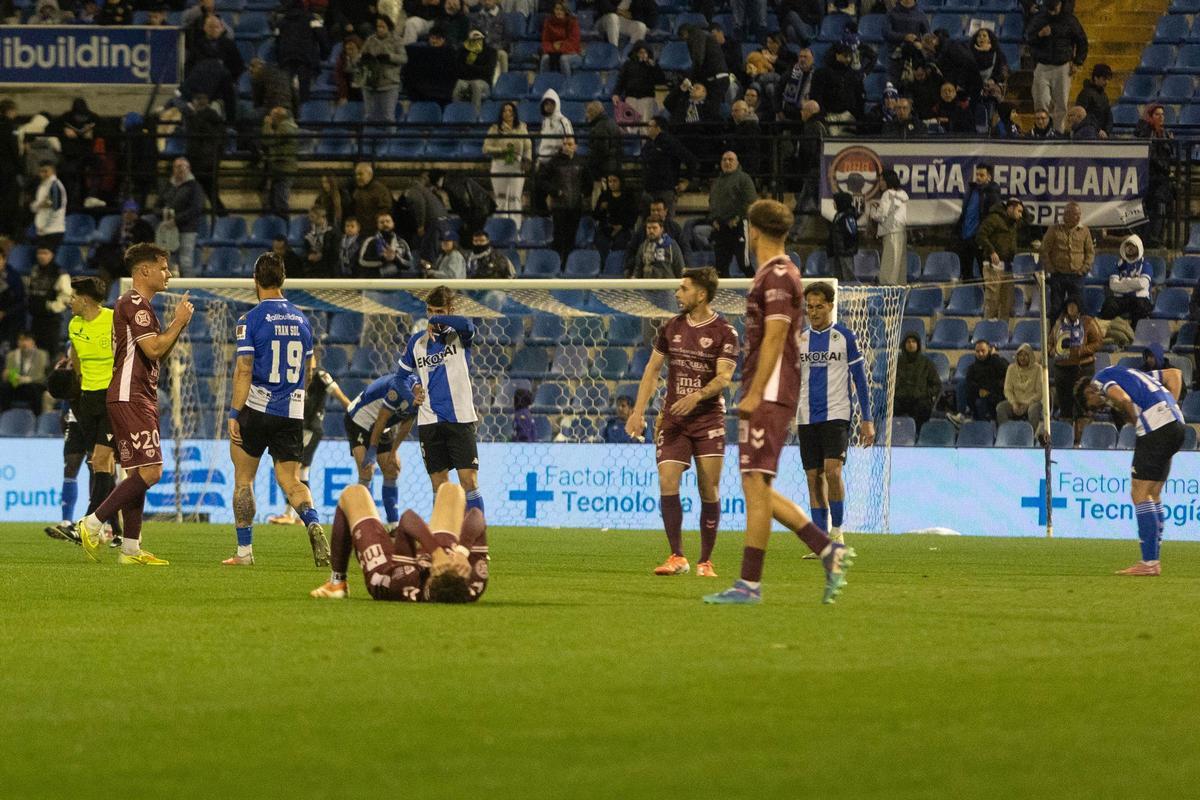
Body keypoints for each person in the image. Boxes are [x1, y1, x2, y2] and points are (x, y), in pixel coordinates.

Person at [704, 199, 852, 606]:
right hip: (773, 389)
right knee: (758, 486)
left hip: (769, 391)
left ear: (753, 231)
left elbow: (774, 336)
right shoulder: (779, 274)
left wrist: (754, 392)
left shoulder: (777, 276)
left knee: (755, 486)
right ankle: (826, 549)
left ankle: (750, 585)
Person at [75, 244, 194, 565]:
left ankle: (130, 549)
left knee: (137, 472)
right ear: (145, 271)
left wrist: (173, 328)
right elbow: (154, 349)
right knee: (152, 471)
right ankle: (92, 522)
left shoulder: (139, 306)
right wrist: (179, 322)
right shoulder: (133, 303)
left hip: (136, 394)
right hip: (131, 395)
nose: (168, 274)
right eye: (164, 267)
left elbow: (156, 354)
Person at [626, 268, 737, 578]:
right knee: (667, 480)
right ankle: (677, 556)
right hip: (674, 419)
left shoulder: (725, 331)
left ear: (701, 294)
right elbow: (652, 370)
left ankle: (705, 561)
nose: (677, 293)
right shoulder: (671, 327)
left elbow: (725, 377)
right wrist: (637, 412)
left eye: (683, 288)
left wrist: (697, 396)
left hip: (708, 418)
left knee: (708, 488)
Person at [222, 253, 328, 566]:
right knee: (292, 481)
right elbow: (308, 372)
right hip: (292, 413)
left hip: (256, 408)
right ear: (282, 279)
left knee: (244, 480)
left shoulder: (250, 320)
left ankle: (244, 553)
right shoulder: (303, 320)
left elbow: (244, 368)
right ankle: (313, 523)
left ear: (255, 280)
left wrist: (233, 413)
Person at [1077, 366, 1184, 576]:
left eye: (1094, 405)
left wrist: (1140, 424)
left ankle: (1149, 562)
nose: (1100, 407)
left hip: (1156, 428)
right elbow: (1175, 374)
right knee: (1153, 494)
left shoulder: (1100, 379)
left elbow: (1124, 399)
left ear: (1089, 392)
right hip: (1176, 424)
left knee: (1139, 493)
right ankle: (1153, 559)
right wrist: (1169, 409)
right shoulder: (1134, 374)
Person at [794, 281, 874, 554]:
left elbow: (861, 380)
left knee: (832, 470)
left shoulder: (844, 337)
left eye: (819, 307)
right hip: (806, 416)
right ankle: (820, 541)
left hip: (837, 413)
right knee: (813, 477)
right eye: (810, 307)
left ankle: (837, 532)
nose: (813, 312)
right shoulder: (800, 340)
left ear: (830, 306)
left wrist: (867, 419)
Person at [309, 482, 489, 602]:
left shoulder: (405, 582)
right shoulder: (475, 583)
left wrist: (437, 553)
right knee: (451, 489)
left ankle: (337, 583)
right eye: (456, 566)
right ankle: (441, 550)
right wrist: (462, 552)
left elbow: (407, 520)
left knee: (353, 493)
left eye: (443, 566)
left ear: (429, 581)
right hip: (424, 560)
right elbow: (477, 516)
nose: (450, 562)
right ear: (465, 575)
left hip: (387, 568)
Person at [45, 277, 119, 543]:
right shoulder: (74, 324)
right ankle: (110, 529)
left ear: (86, 300)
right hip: (87, 401)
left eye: (74, 297)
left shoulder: (113, 320)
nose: (70, 301)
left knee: (102, 462)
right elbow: (75, 357)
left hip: (112, 399)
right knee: (100, 464)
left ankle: (87, 524)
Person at [398, 286, 483, 512]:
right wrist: (413, 390)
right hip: (429, 421)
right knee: (440, 487)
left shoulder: (459, 335)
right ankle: (442, 543)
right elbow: (400, 378)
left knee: (469, 482)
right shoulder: (417, 342)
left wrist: (440, 319)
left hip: (460, 417)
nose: (433, 316)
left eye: (439, 311)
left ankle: (477, 544)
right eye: (429, 311)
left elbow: (467, 325)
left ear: (450, 310)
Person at [268, 351, 352, 525]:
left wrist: (353, 411)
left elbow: (339, 395)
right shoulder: (295, 375)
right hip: (300, 427)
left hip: (310, 428)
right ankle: (302, 516)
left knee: (293, 472)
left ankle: (291, 514)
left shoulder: (320, 375)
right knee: (302, 471)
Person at [343, 370, 418, 528]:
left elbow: (407, 424)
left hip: (382, 425)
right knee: (366, 470)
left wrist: (393, 451)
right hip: (359, 420)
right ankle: (365, 523)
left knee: (392, 469)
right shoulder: (398, 388)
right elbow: (381, 419)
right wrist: (372, 450)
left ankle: (393, 525)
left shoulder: (423, 395)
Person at [1026, 0, 1088, 132]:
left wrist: (1078, 62)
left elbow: (1082, 41)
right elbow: (1029, 39)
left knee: (1061, 105)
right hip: (1042, 65)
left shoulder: (1070, 20)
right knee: (1041, 101)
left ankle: (1057, 133)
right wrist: (1040, 35)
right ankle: (1041, 133)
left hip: (1063, 66)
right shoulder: (1039, 19)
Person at [1052, 298, 1102, 441]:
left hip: (1083, 367)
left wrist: (1083, 350)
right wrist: (1052, 351)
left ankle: (1083, 439)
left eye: (1074, 305)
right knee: (1065, 406)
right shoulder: (1059, 323)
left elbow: (1098, 342)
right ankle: (1066, 439)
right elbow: (1050, 341)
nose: (1072, 308)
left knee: (1082, 406)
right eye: (1069, 306)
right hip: (1062, 368)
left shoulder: (1088, 322)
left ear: (1079, 307)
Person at [1040, 201, 1093, 321]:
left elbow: (1090, 252)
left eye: (1079, 214)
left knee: (1079, 308)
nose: (1078, 217)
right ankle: (1054, 336)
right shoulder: (1054, 229)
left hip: (1077, 276)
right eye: (1075, 214)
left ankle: (1079, 336)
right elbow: (1044, 250)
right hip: (1058, 275)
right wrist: (1051, 268)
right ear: (1066, 215)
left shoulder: (1085, 231)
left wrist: (1084, 269)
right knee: (1056, 308)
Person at [709, 152, 758, 279]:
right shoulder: (717, 182)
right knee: (720, 266)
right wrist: (713, 219)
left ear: (737, 163)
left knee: (744, 263)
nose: (727, 162)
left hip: (739, 226)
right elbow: (712, 202)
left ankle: (758, 291)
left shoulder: (744, 179)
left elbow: (751, 201)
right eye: (724, 160)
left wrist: (738, 217)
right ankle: (724, 296)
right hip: (721, 228)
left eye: (731, 160)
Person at [483, 102, 531, 224]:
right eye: (504, 111)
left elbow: (528, 146)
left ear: (514, 112)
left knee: (515, 198)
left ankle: (516, 227)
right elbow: (486, 148)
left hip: (516, 165)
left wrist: (527, 159)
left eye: (510, 110)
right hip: (499, 165)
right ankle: (500, 225)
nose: (507, 113)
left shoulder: (521, 127)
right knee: (501, 197)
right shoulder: (495, 128)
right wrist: (502, 150)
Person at [976, 197, 1024, 321]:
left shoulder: (1014, 223)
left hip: (1008, 265)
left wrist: (1020, 203)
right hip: (994, 266)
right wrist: (991, 251)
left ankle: (1002, 332)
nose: (1021, 215)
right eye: (1018, 211)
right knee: (992, 300)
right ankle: (987, 330)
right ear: (1010, 208)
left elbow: (1029, 219)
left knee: (1007, 301)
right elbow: (980, 235)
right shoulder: (994, 218)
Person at [638, 115, 697, 217]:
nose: (648, 129)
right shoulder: (649, 143)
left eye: (650, 126)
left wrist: (686, 181)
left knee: (667, 222)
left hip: (665, 189)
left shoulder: (670, 142)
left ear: (658, 127)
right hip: (649, 188)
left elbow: (690, 160)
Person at [157, 157, 207, 277]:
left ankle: (191, 292)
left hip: (187, 229)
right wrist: (163, 214)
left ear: (188, 169)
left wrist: (176, 220)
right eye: (176, 167)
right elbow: (157, 205)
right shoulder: (168, 186)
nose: (179, 169)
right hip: (168, 230)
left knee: (185, 262)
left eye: (182, 166)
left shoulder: (195, 187)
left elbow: (196, 209)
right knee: (167, 263)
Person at [956, 163, 1002, 281]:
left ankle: (985, 299)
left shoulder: (992, 193)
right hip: (966, 237)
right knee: (966, 275)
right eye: (977, 174)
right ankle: (967, 298)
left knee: (985, 275)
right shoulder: (971, 191)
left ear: (989, 177)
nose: (978, 177)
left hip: (980, 239)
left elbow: (993, 218)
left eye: (982, 175)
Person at [27, 243, 71, 355]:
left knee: (50, 353)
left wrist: (51, 306)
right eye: (39, 253)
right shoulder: (34, 270)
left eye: (45, 253)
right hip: (35, 318)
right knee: (35, 353)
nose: (41, 256)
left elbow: (66, 296)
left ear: (52, 255)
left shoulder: (60, 272)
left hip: (51, 321)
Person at [361, 16, 406, 123]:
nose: (380, 29)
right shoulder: (370, 40)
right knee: (369, 117)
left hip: (389, 84)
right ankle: (369, 139)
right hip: (370, 83)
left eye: (382, 26)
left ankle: (390, 139)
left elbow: (404, 58)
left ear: (388, 27)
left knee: (388, 118)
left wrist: (389, 56)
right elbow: (361, 56)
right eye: (378, 26)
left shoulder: (397, 40)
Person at [1100, 234, 1152, 326]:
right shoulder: (1118, 264)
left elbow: (1142, 284)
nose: (1130, 248)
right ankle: (1108, 334)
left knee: (1141, 307)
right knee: (1109, 305)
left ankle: (1136, 335)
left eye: (1133, 246)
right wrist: (1132, 283)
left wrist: (1124, 281)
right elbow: (1113, 286)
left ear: (1139, 247)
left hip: (1140, 299)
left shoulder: (1145, 265)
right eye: (1128, 246)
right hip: (1121, 299)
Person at [893, 333, 941, 433]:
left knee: (923, 407)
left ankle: (918, 434)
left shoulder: (926, 363)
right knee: (888, 406)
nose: (911, 344)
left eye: (914, 342)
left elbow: (937, 385)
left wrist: (925, 393)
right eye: (908, 342)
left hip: (920, 400)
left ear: (918, 344)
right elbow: (889, 383)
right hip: (901, 399)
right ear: (904, 344)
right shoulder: (896, 363)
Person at [952, 339, 1008, 423]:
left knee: (981, 401)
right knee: (961, 385)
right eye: (977, 351)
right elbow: (970, 382)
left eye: (983, 351)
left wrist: (994, 356)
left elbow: (1008, 372)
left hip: (995, 393)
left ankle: (986, 422)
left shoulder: (998, 361)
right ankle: (961, 415)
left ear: (989, 349)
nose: (980, 354)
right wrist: (979, 390)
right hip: (980, 392)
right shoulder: (973, 366)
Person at [612, 42, 665, 126]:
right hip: (631, 99)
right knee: (630, 127)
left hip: (647, 99)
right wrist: (616, 93)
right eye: (641, 52)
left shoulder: (653, 66)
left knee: (646, 126)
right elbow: (620, 81)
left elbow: (661, 80)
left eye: (645, 52)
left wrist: (654, 67)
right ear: (636, 53)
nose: (643, 55)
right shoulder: (628, 65)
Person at [871, 169, 908, 285]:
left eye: (882, 180)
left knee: (889, 268)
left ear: (888, 180)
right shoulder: (901, 194)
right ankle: (900, 295)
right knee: (899, 268)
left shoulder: (887, 194)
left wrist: (873, 209)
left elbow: (881, 216)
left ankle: (888, 297)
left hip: (891, 233)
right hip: (901, 232)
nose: (880, 183)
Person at [261, 106, 299, 218]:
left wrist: (267, 125)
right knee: (274, 199)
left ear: (277, 117)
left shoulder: (284, 127)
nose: (270, 118)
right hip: (281, 167)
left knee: (280, 201)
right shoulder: (289, 125)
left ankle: (284, 227)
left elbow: (268, 140)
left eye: (272, 116)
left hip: (284, 168)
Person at [997, 343, 1045, 430]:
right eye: (1020, 355)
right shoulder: (1011, 368)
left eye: (1026, 355)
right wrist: (1014, 403)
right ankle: (1005, 433)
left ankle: (1030, 434)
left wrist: (1026, 404)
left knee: (1034, 409)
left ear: (1030, 356)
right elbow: (1007, 390)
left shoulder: (1038, 369)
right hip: (1015, 403)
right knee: (1000, 407)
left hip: (1031, 403)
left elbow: (1039, 392)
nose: (1022, 358)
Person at [592, 173, 638, 264]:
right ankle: (603, 266)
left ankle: (617, 266)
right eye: (610, 181)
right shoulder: (604, 196)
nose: (612, 184)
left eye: (615, 181)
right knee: (600, 242)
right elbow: (596, 215)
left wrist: (621, 226)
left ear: (620, 182)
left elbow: (633, 215)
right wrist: (601, 208)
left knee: (620, 243)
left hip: (623, 228)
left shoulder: (628, 196)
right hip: (606, 228)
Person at [0, 332, 48, 413]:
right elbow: (9, 373)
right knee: (4, 387)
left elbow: (40, 375)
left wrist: (26, 379)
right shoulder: (11, 355)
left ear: (33, 342)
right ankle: (5, 414)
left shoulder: (42, 354)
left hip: (33, 383)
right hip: (16, 384)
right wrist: (8, 375)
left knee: (35, 389)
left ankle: (37, 416)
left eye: (27, 340)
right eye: (21, 340)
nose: (24, 343)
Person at [358, 212, 416, 277]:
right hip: (375, 281)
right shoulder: (369, 241)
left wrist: (395, 258)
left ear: (393, 223)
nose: (385, 224)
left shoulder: (402, 242)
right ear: (377, 225)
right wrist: (383, 259)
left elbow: (409, 263)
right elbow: (361, 261)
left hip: (396, 282)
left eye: (388, 221)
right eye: (382, 222)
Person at [452, 29, 497, 113]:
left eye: (478, 38)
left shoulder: (491, 52)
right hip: (465, 80)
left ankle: (474, 115)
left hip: (483, 83)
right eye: (473, 39)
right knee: (458, 84)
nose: (476, 41)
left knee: (475, 84)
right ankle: (457, 114)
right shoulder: (463, 51)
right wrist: (476, 66)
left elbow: (488, 71)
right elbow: (458, 70)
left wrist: (469, 67)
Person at [30, 161, 66, 252]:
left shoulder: (55, 185)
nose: (43, 174)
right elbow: (34, 207)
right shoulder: (42, 186)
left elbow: (56, 208)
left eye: (46, 171)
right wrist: (41, 204)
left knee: (49, 259)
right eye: (41, 171)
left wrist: (45, 226)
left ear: (53, 171)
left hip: (53, 230)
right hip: (42, 231)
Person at [350, 162, 393, 236]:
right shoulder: (357, 191)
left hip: (376, 233)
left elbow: (385, 210)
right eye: (356, 174)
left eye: (360, 174)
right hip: (360, 232)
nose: (357, 177)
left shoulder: (380, 190)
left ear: (370, 174)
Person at [540, 1, 582, 76]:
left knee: (563, 59)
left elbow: (574, 42)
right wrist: (553, 47)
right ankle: (544, 84)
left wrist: (560, 46)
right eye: (557, 9)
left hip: (572, 53)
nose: (559, 12)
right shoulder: (548, 22)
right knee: (545, 58)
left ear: (566, 11)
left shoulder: (573, 22)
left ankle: (567, 85)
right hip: (553, 52)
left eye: (561, 10)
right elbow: (545, 41)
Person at [827, 191, 858, 283]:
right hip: (836, 252)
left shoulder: (848, 217)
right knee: (838, 278)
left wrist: (847, 249)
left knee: (848, 276)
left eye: (835, 201)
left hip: (845, 253)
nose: (833, 203)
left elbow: (852, 234)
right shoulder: (838, 216)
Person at [1075, 63, 1113, 138]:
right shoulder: (1085, 94)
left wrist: (1106, 132)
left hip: (1100, 133)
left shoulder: (1104, 95)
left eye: (1108, 79)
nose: (1107, 82)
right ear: (1096, 78)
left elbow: (1108, 115)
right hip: (1088, 133)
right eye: (1104, 79)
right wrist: (1099, 130)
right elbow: (1082, 116)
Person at [0, 249, 28, 348]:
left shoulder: (13, 277)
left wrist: (5, 313)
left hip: (12, 321)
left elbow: (22, 302)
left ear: (4, 259)